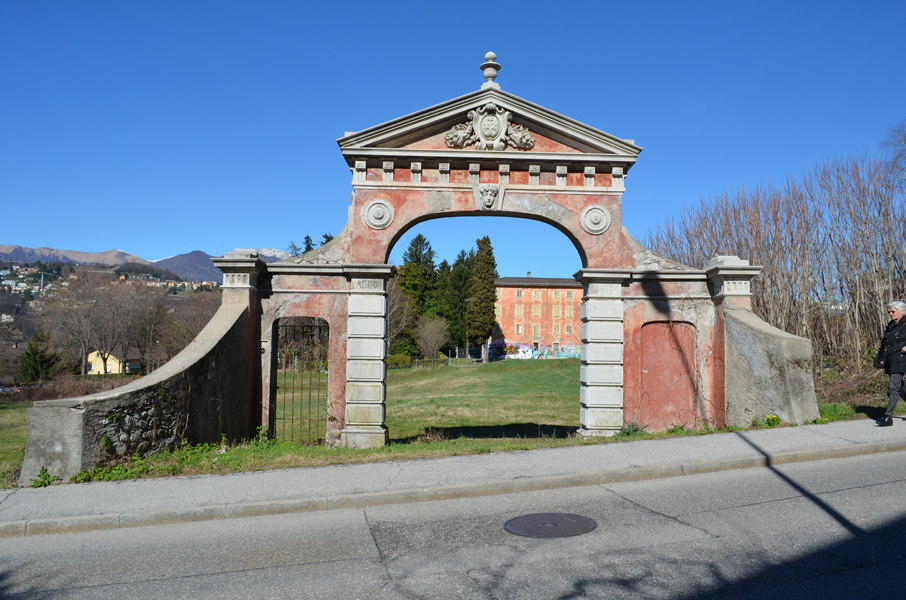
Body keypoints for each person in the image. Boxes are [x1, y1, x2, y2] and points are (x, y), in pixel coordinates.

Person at [876, 301, 906, 426]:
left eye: (893, 311)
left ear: (902, 311)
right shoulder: (890, 326)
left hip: (902, 358)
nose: (891, 314)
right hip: (890, 359)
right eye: (889, 312)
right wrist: (878, 359)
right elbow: (884, 344)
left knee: (893, 387)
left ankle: (888, 417)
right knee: (900, 388)